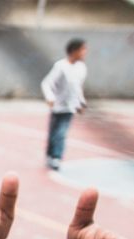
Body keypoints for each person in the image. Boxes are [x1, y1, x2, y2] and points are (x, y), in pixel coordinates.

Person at [39, 39, 87, 171]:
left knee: (62, 132)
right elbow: (46, 83)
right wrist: (50, 97)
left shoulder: (81, 68)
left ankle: (56, 157)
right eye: (82, 49)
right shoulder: (61, 66)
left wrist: (81, 102)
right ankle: (50, 154)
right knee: (53, 133)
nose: (85, 52)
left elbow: (78, 88)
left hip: (69, 107)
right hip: (57, 106)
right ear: (74, 50)